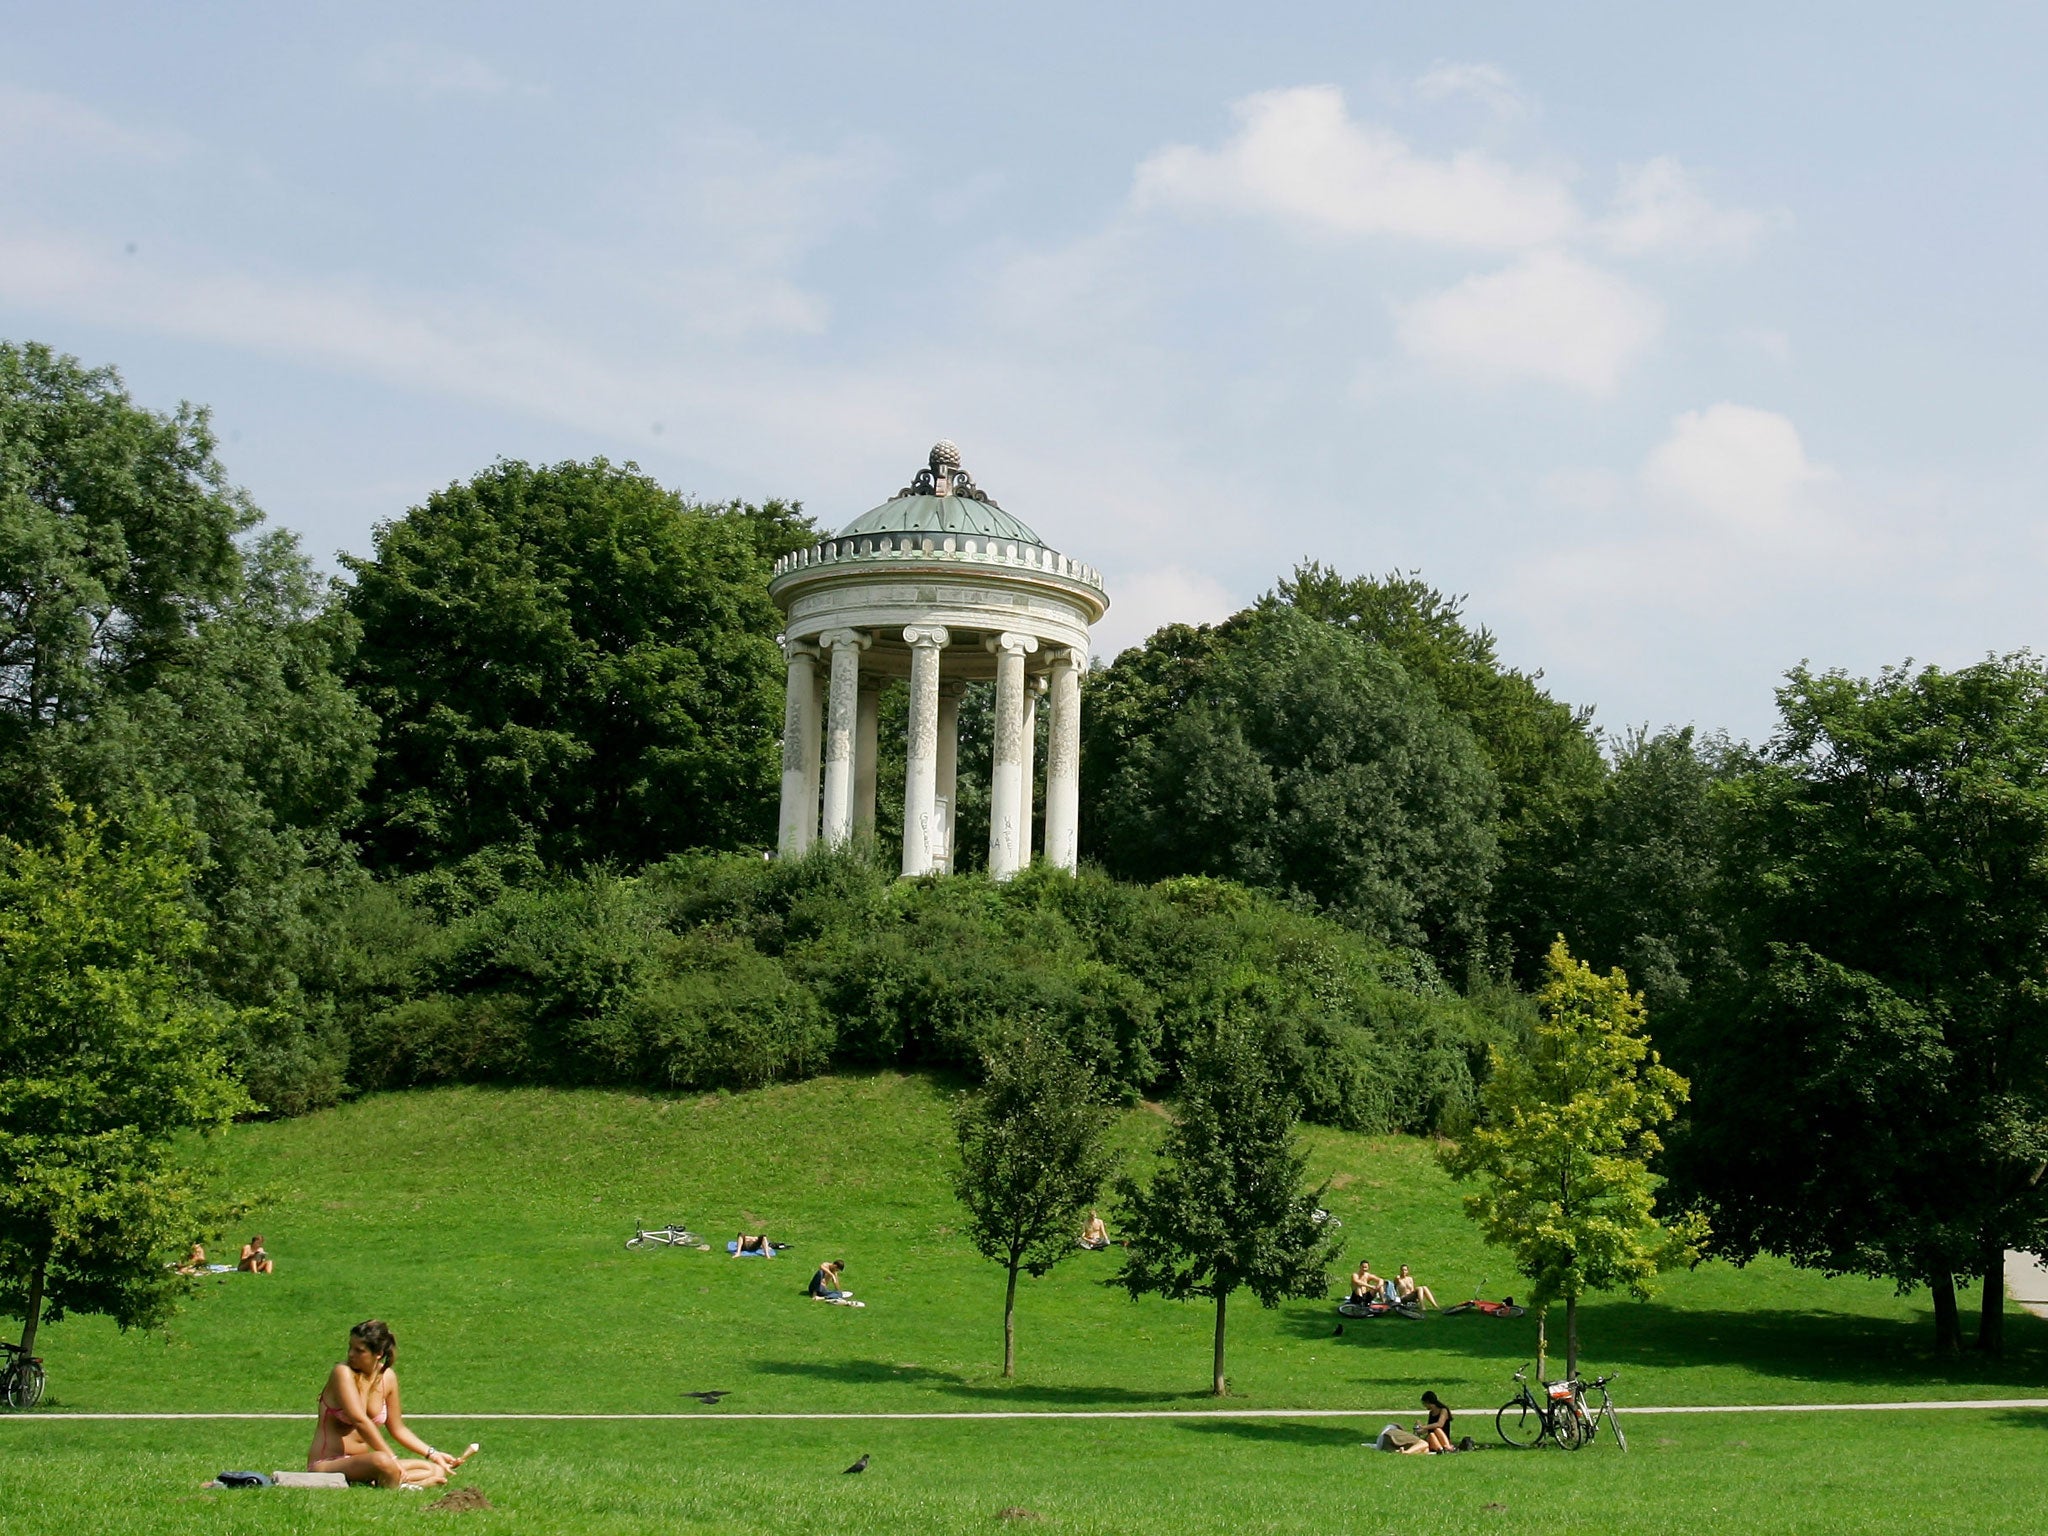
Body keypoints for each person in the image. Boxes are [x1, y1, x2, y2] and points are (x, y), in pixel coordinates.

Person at [308, 1320, 476, 1488]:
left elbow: (398, 1428)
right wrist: (392, 1459)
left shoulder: (387, 1378)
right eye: (350, 1347)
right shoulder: (342, 1373)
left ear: (379, 1353)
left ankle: (396, 1481)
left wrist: (432, 1454)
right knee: (382, 1460)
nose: (351, 1354)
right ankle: (407, 1485)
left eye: (359, 1351)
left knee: (435, 1469)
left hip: (364, 1464)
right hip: (327, 1464)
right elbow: (360, 1421)